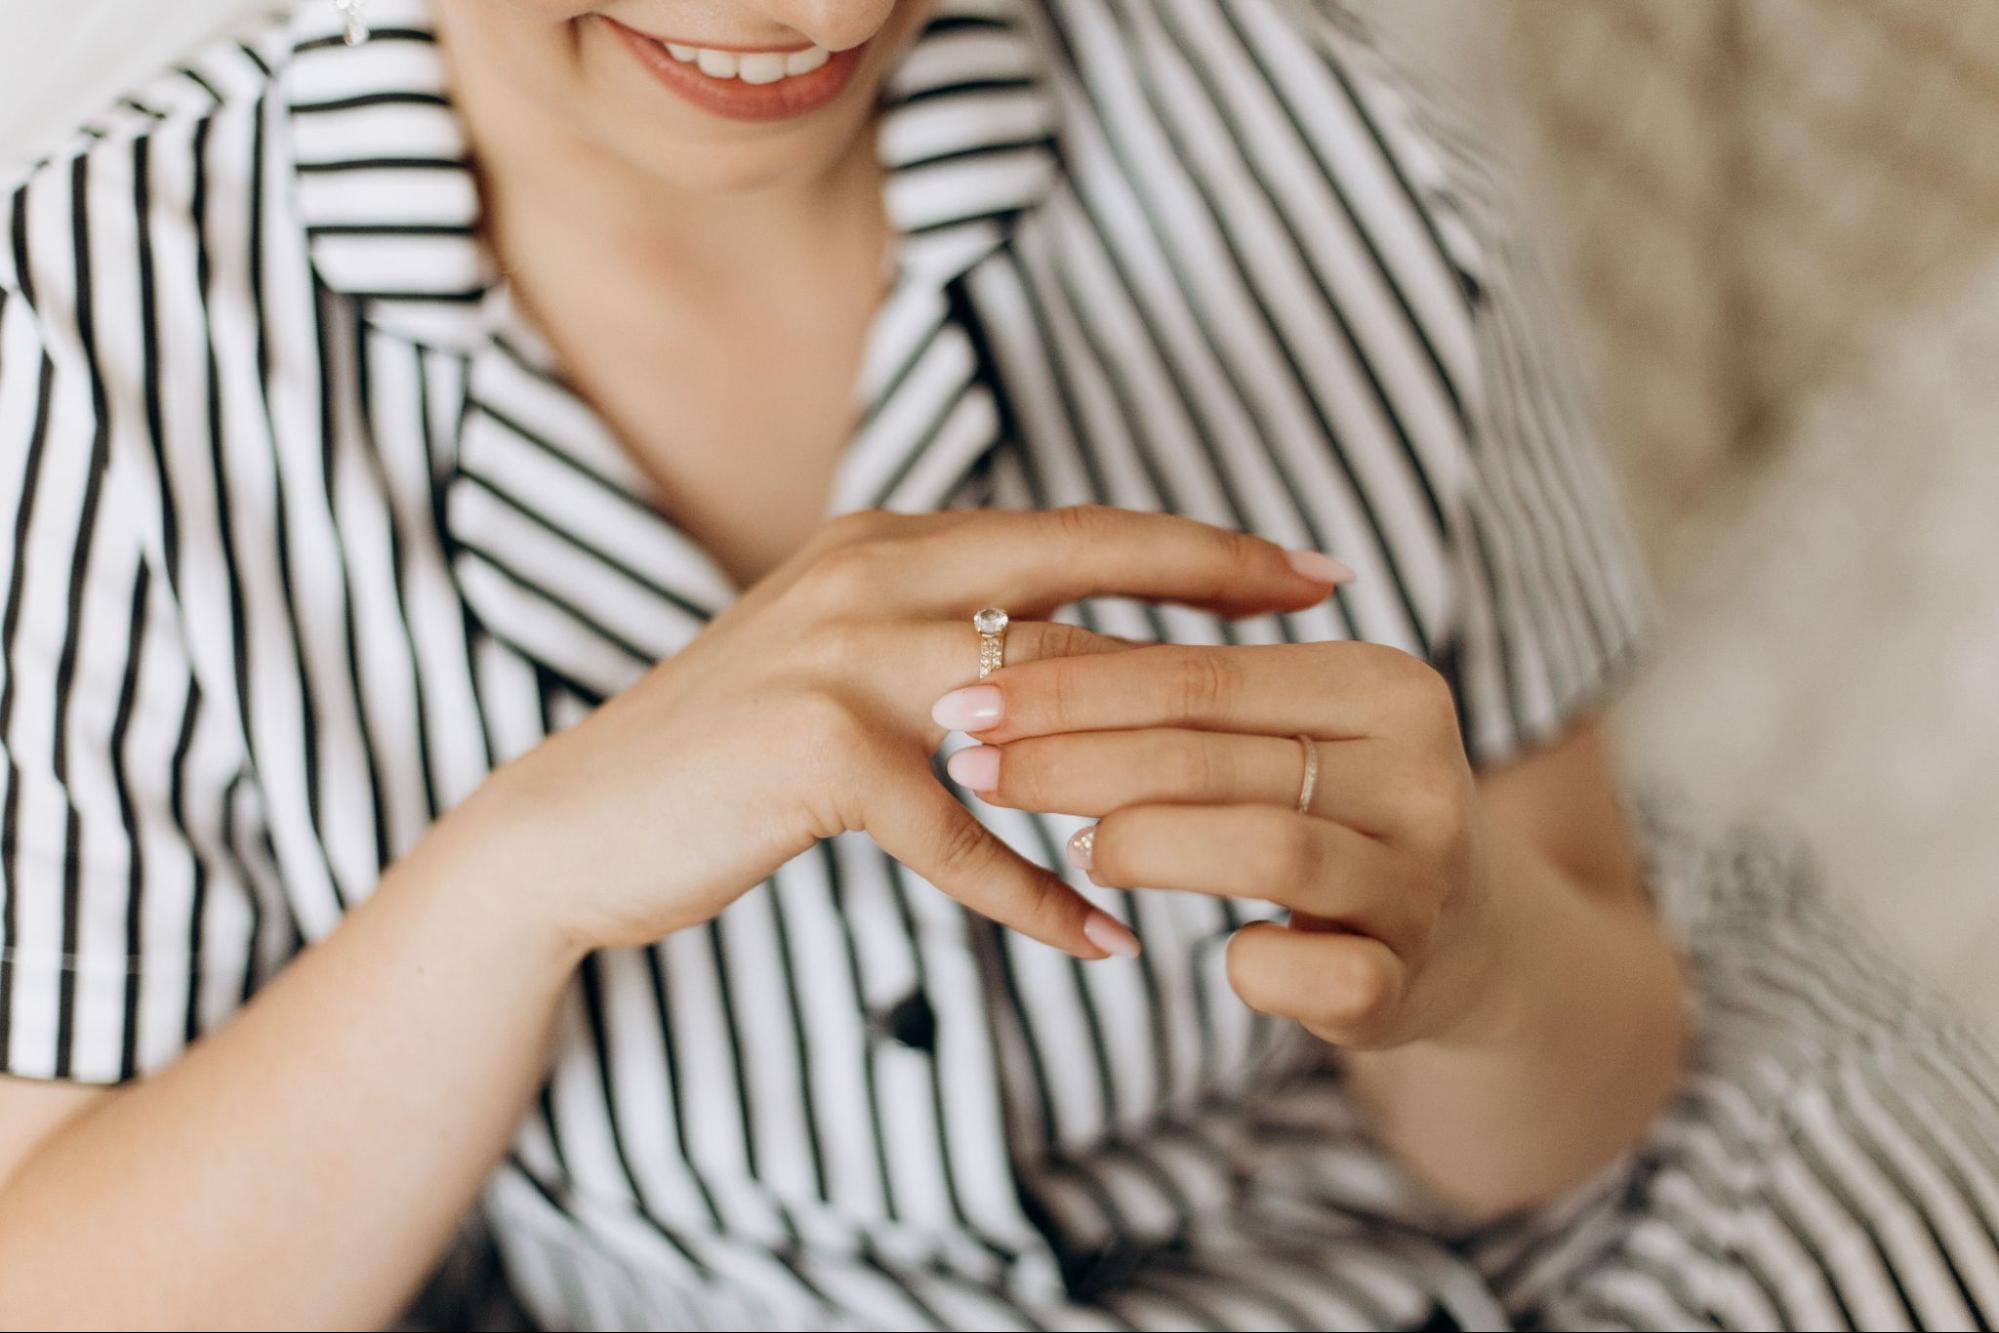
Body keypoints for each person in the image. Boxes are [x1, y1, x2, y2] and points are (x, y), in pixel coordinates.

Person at [0, 1, 1992, 1328]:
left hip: (1470, 1244)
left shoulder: (1325, 148)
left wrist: (1462, 962)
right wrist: (516, 877)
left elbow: (1582, 1074)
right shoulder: (109, 322)